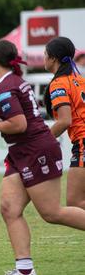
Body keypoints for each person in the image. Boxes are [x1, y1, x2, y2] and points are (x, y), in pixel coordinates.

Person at [0, 40, 85, 275]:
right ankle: (25, 271)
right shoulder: (12, 83)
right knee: (9, 208)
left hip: (35, 150)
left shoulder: (5, 88)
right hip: (21, 152)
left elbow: (19, 124)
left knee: (51, 213)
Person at [43, 37, 85, 209]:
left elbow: (65, 121)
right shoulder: (80, 80)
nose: (43, 57)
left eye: (45, 54)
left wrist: (42, 141)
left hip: (83, 141)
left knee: (74, 202)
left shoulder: (59, 84)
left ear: (53, 58)